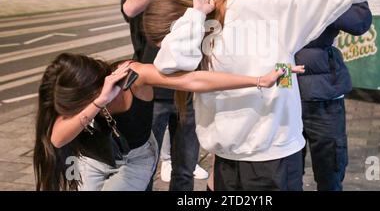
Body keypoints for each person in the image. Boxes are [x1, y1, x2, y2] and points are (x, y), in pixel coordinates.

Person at [145, 0, 380, 190]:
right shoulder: (202, 22)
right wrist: (195, 16)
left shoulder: (256, 4)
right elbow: (169, 64)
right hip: (230, 153)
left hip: (270, 151)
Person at [33, 51, 299, 191]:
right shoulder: (73, 91)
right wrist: (99, 102)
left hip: (136, 157)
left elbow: (193, 80)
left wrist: (257, 81)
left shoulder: (133, 75)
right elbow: (57, 138)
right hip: (92, 160)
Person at [267, 0, 372, 190]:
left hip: (323, 94)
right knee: (287, 174)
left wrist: (321, 0)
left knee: (329, 172)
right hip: (283, 92)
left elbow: (360, 22)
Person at [121, 0, 209, 191]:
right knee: (144, 167)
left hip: (190, 86)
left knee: (184, 169)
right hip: (151, 84)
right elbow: (130, 8)